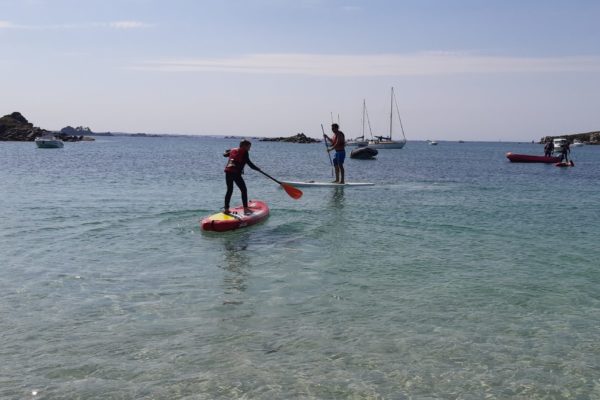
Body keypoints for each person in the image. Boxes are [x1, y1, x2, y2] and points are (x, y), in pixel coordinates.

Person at [223, 139, 261, 214]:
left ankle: (226, 209)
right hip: (235, 173)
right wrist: (258, 169)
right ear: (244, 146)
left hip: (228, 172)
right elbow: (250, 164)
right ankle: (246, 209)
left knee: (229, 190)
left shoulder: (233, 150)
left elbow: (224, 154)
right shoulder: (245, 152)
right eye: (248, 147)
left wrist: (228, 151)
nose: (249, 149)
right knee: (243, 190)